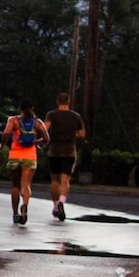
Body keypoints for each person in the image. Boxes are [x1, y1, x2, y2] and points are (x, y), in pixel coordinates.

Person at [43, 92, 85, 222]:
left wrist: (46, 138)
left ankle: (56, 206)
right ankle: (62, 201)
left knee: (54, 180)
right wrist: (72, 134)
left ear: (57, 102)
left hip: (54, 150)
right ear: (69, 102)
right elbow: (81, 134)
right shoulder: (75, 116)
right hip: (69, 151)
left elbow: (45, 128)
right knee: (65, 180)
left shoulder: (51, 114)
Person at [1, 101, 45, 225]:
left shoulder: (13, 120)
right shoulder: (38, 122)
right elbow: (47, 139)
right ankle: (25, 205)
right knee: (26, 184)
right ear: (32, 108)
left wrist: (2, 145)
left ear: (19, 108)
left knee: (15, 186)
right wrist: (36, 142)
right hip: (30, 157)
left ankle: (15, 214)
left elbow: (5, 134)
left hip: (15, 155)